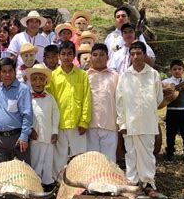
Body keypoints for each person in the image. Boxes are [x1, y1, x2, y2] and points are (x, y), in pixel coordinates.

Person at [116, 41, 163, 197]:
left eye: (139, 53)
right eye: (133, 54)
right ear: (130, 56)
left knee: (148, 154)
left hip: (148, 122)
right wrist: (121, 122)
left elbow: (158, 98)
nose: (135, 57)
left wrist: (146, 111)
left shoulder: (154, 74)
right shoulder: (124, 76)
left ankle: (149, 184)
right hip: (129, 123)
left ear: (144, 55)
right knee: (131, 154)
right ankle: (133, 183)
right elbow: (119, 101)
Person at [48, 41, 91, 177]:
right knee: (59, 157)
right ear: (59, 56)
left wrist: (84, 121)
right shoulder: (53, 76)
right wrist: (52, 125)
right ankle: (59, 184)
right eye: (63, 54)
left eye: (69, 54)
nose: (66, 57)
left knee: (79, 156)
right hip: (60, 123)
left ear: (74, 55)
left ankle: (79, 183)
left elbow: (87, 99)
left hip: (77, 123)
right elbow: (51, 101)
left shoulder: (82, 75)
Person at [0, 57, 32, 165]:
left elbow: (27, 115)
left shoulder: (22, 89)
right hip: (0, 139)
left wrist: (24, 137)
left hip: (18, 138)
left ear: (15, 72)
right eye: (4, 72)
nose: (7, 75)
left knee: (22, 173)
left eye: (10, 71)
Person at [26, 64, 59, 188]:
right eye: (34, 79)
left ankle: (48, 186)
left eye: (41, 79)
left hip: (49, 137)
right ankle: (35, 186)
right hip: (35, 138)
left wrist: (55, 131)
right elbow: (24, 115)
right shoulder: (27, 98)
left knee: (48, 162)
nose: (38, 82)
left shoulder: (50, 98)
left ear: (46, 81)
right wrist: (29, 130)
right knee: (36, 162)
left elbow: (55, 115)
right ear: (30, 81)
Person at [86, 43, 119, 162]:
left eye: (101, 55)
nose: (98, 58)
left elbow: (119, 100)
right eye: (95, 55)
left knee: (109, 159)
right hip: (90, 124)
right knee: (92, 160)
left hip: (109, 123)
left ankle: (109, 181)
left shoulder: (115, 76)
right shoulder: (85, 76)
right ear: (90, 57)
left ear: (107, 57)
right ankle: (93, 181)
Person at [162, 59, 184, 162]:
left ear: (183, 70)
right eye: (174, 69)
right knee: (170, 133)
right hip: (171, 111)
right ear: (171, 71)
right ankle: (170, 154)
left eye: (179, 69)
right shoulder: (166, 82)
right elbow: (159, 94)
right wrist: (164, 91)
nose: (177, 71)